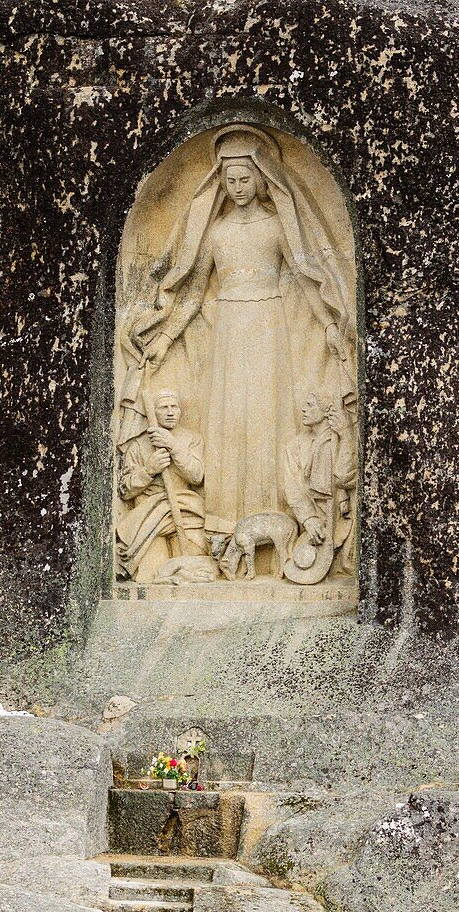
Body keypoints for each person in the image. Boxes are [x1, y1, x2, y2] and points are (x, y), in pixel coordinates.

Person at [118, 124, 355, 537]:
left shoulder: (277, 225)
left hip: (268, 326)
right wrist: (166, 339)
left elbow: (304, 274)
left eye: (246, 178)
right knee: (228, 416)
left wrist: (331, 323)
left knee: (267, 416)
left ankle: (275, 513)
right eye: (230, 180)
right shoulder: (216, 231)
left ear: (261, 176)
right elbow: (191, 295)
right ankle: (225, 521)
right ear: (220, 182)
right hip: (228, 328)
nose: (239, 186)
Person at [116, 391, 206, 581]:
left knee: (197, 574)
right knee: (152, 576)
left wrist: (173, 446)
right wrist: (148, 470)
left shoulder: (192, 439)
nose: (170, 412)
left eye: (174, 407)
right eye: (163, 408)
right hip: (150, 521)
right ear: (153, 413)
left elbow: (196, 476)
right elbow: (125, 490)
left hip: (186, 513)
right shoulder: (139, 445)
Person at [283, 391, 357, 574]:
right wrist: (308, 518)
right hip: (312, 515)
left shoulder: (339, 439)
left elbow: (344, 477)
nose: (303, 410)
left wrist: (346, 436)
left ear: (326, 412)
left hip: (338, 513)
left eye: (310, 405)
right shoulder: (295, 445)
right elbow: (291, 485)